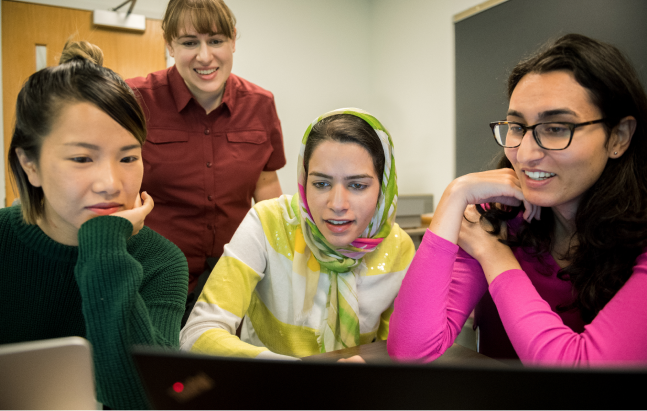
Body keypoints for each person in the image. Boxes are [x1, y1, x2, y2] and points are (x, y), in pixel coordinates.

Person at [388, 34, 647, 365]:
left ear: (618, 137)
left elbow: (582, 368)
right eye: (516, 126)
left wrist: (494, 255)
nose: (525, 154)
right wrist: (455, 196)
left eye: (555, 128)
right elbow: (411, 349)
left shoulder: (490, 239)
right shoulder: (499, 216)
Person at [0, 41, 189, 410]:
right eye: (82, 158)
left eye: (129, 156)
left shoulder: (161, 261)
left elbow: (144, 400)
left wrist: (105, 246)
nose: (110, 183)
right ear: (29, 164)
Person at [180, 108, 415, 359]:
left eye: (357, 185)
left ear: (383, 187)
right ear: (304, 180)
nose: (337, 203)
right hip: (269, 390)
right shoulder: (268, 222)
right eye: (321, 183)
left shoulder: (397, 246)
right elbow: (197, 334)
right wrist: (301, 375)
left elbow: (403, 350)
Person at [126, 0, 287, 315]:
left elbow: (267, 191)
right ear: (170, 44)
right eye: (189, 42)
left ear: (233, 41)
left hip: (234, 281)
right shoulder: (135, 100)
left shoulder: (260, 104)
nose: (204, 56)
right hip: (154, 278)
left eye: (215, 41)